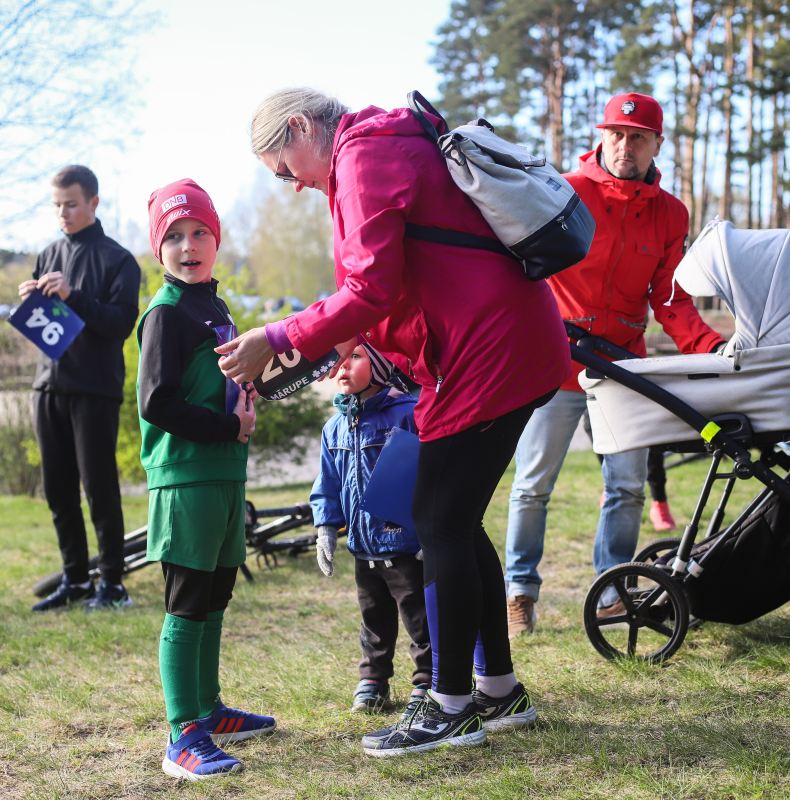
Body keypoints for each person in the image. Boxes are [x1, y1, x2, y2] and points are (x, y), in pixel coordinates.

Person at [218, 88, 568, 756]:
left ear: (300, 128)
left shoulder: (362, 156)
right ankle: (497, 691)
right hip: (501, 345)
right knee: (455, 524)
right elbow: (406, 280)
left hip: (488, 354)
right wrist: (352, 342)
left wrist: (284, 332)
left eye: (283, 169)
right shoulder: (383, 147)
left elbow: (370, 287)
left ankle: (449, 706)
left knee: (435, 522)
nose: (289, 186)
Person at [503, 93, 724, 634]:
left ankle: (613, 590)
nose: (626, 146)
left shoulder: (670, 212)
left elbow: (669, 296)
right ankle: (519, 592)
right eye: (617, 134)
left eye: (638, 137)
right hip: (555, 360)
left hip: (625, 366)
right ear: (602, 136)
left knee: (627, 486)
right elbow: (521, 267)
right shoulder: (564, 191)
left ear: (657, 144)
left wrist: (709, 347)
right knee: (533, 484)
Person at [138, 179, 274, 781]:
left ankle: (208, 709)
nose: (188, 245)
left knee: (217, 595)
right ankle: (181, 735)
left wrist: (244, 408)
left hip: (224, 474)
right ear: (157, 248)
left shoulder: (214, 307)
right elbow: (157, 404)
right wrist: (225, 428)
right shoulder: (166, 314)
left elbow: (222, 383)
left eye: (199, 233)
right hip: (186, 477)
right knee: (188, 603)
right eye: (173, 237)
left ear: (216, 239)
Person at [22, 165, 142, 613]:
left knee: (99, 488)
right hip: (47, 386)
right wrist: (33, 303)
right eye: (56, 205)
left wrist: (73, 296)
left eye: (71, 204)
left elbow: (120, 324)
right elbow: (47, 329)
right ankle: (74, 579)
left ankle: (112, 584)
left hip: (94, 390)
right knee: (57, 489)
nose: (63, 213)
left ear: (93, 202)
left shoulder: (119, 260)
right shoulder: (48, 253)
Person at [310, 342, 431, 714]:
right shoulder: (333, 428)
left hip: (406, 545)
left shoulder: (407, 414)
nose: (343, 367)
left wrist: (429, 530)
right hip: (363, 547)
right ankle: (373, 679)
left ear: (380, 365)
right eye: (338, 361)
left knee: (419, 618)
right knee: (373, 619)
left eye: (355, 357)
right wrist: (326, 528)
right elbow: (327, 483)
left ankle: (429, 680)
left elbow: (427, 474)